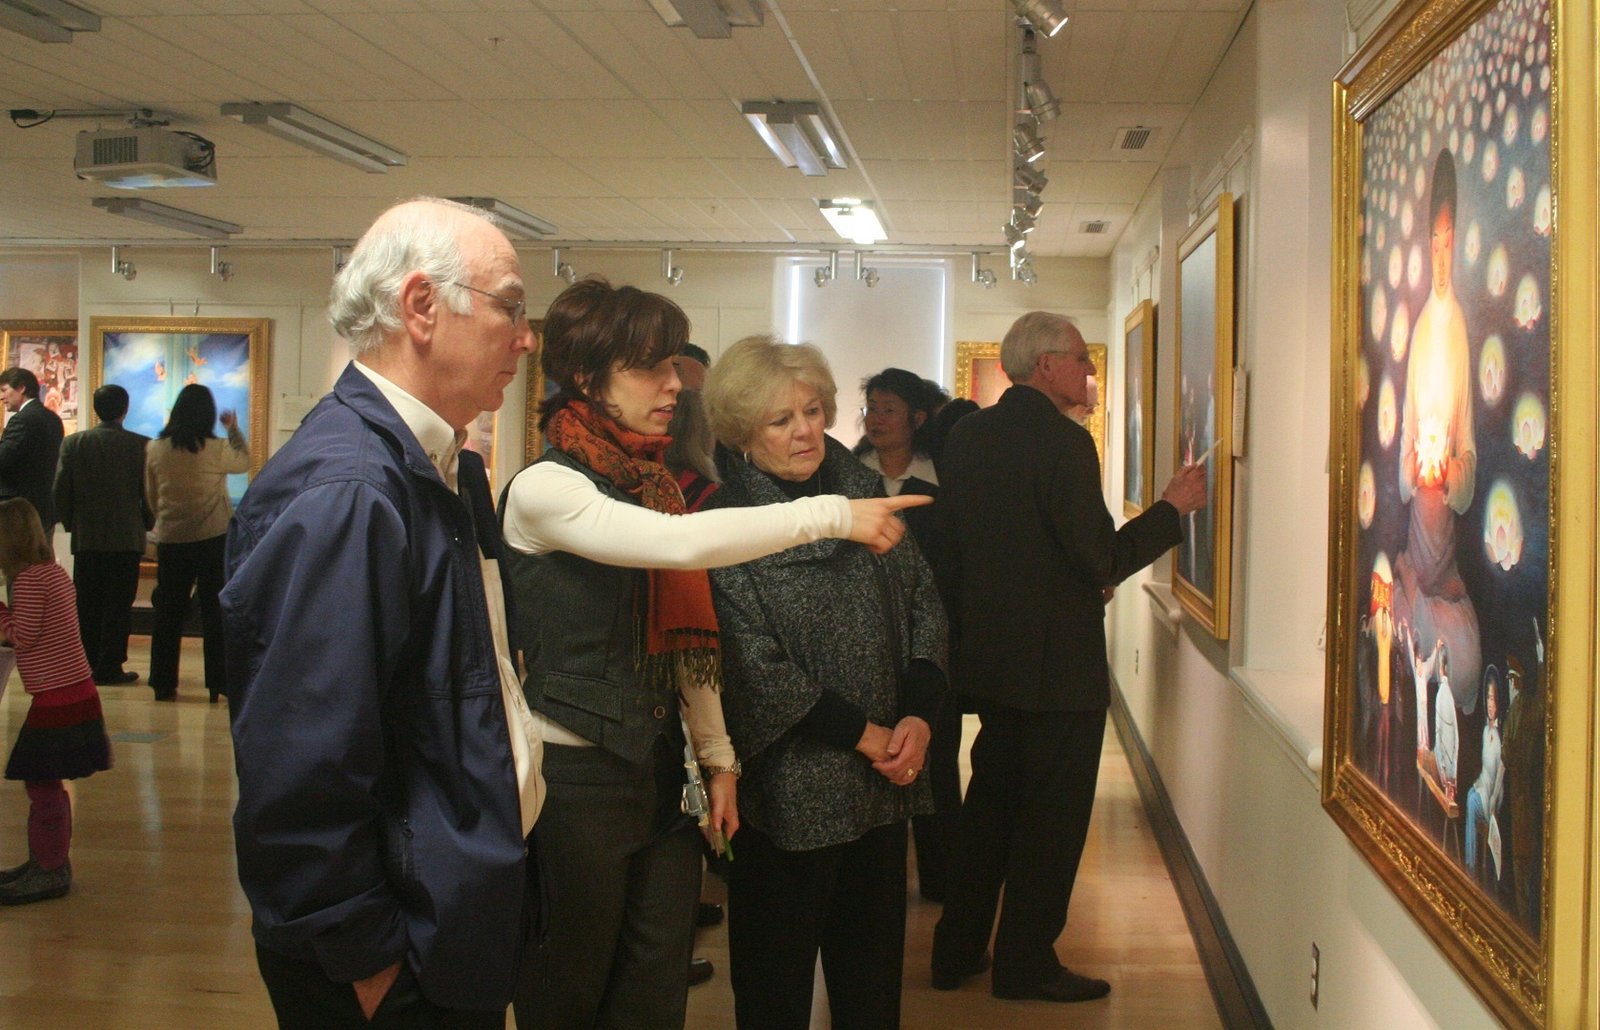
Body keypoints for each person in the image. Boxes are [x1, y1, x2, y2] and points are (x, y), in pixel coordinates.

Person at [498, 285, 928, 1030]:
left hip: (662, 774)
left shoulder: (654, 483)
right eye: (650, 367)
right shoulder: (545, 487)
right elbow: (682, 548)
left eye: (672, 364)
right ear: (589, 378)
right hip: (576, 779)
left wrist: (719, 760)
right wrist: (833, 515)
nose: (674, 384)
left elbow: (688, 647)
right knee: (569, 988)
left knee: (653, 993)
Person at [223, 197, 542, 1027]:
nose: (526, 338)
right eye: (510, 306)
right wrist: (365, 956)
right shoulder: (352, 491)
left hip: (441, 916)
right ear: (421, 306)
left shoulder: (435, 468)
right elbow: (301, 760)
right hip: (389, 956)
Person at [931, 311, 1206, 1003]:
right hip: (1058, 672)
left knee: (989, 808)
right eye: (1082, 359)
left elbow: (991, 548)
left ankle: (956, 949)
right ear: (1045, 364)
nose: (1089, 371)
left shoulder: (966, 436)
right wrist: (1171, 509)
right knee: (1050, 826)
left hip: (990, 662)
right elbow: (1099, 557)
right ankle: (1025, 963)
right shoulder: (1063, 442)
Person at [700, 335, 948, 1030]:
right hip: (789, 789)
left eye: (812, 411)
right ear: (742, 430)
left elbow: (926, 607)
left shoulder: (866, 492)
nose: (805, 431)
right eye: (781, 420)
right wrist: (865, 735)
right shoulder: (725, 519)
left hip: (884, 780)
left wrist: (918, 718)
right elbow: (751, 664)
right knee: (774, 990)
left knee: (871, 986)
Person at [853, 366, 956, 901]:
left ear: (916, 418)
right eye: (871, 407)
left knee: (935, 759)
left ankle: (941, 877)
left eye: (888, 409)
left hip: (928, 636)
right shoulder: (849, 475)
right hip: (864, 637)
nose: (876, 419)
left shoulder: (941, 479)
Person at [1395, 148, 1481, 714]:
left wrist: (1449, 470)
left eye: (1450, 242)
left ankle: (1425, 588)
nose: (1443, 255)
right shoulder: (1423, 327)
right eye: (1436, 243)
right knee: (1414, 636)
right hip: (1419, 525)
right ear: (1427, 246)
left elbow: (1468, 449)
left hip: (1443, 524)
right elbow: (1405, 447)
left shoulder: (1459, 328)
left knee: (1464, 663)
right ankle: (1411, 581)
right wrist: (1416, 467)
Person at [0, 498, 113, 905]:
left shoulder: (30, 580)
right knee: (47, 783)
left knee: (41, 783)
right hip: (74, 691)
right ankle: (47, 861)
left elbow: (24, 635)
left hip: (57, 698)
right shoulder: (53, 573)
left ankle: (48, 869)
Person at [144, 383, 248, 703]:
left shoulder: (155, 448)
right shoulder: (216, 448)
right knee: (214, 613)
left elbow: (151, 495)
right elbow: (244, 461)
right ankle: (218, 682)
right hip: (212, 538)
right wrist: (233, 429)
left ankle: (163, 683)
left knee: (168, 613)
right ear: (208, 414)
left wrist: (165, 520)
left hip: (172, 540)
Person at [53, 384, 152, 685]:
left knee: (87, 604)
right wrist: (146, 522)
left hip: (88, 537)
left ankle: (85, 663)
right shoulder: (141, 445)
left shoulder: (74, 443)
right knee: (119, 606)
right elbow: (149, 493)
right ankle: (110, 665)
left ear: (96, 409)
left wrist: (71, 523)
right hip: (126, 537)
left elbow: (61, 490)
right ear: (125, 409)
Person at [0, 367, 66, 539]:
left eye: (4, 390)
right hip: (44, 507)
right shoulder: (53, 419)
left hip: (19, 509)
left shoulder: (22, 419)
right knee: (42, 554)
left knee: (18, 555)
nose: (1, 397)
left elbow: (4, 460)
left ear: (21, 388)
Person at [1464, 668, 1503, 879]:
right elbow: (1484, 773)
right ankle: (1469, 860)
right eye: (1488, 698)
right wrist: (1478, 786)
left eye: (1493, 698)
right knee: (1470, 794)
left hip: (1494, 798)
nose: (1490, 703)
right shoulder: (1485, 731)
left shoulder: (1498, 738)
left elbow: (1498, 779)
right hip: (1484, 788)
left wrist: (1492, 801)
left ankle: (1471, 866)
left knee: (1471, 802)